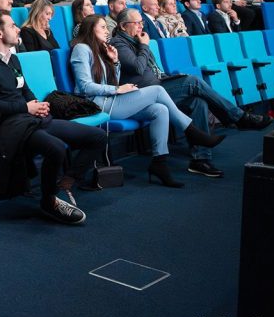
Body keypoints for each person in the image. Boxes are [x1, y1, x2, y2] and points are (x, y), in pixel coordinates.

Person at [0, 12, 104, 223]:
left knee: (98, 137)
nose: (18, 29)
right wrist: (26, 107)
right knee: (57, 148)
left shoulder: (13, 59)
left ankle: (66, 183)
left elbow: (25, 89)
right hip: (11, 125)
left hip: (32, 120)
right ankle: (49, 201)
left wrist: (37, 105)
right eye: (12, 26)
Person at [111, 9, 269, 178]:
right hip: (142, 95)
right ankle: (239, 117)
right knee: (193, 81)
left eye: (142, 22)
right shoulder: (119, 43)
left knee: (198, 101)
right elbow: (137, 68)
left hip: (159, 85)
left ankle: (201, 159)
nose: (141, 26)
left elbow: (153, 71)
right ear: (123, 26)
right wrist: (144, 46)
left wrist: (169, 76)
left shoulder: (136, 40)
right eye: (136, 23)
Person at [71, 14, 223, 187]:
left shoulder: (101, 49)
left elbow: (113, 80)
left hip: (111, 100)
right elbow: (84, 86)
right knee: (158, 90)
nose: (107, 31)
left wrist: (115, 62)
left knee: (160, 110)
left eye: (107, 27)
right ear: (91, 29)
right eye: (103, 27)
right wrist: (117, 90)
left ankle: (159, 163)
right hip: (97, 104)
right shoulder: (81, 49)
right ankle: (192, 132)